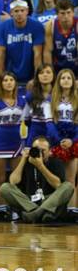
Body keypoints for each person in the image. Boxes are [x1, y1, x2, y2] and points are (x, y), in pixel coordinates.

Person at [0, 71, 26, 220]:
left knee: (15, 179)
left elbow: (26, 122)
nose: (8, 82)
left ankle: (16, 209)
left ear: (15, 82)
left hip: (16, 143)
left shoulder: (22, 101)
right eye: (5, 80)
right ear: (0, 83)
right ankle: (1, 210)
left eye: (11, 79)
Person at [0, 136, 74, 223]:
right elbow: (13, 181)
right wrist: (23, 159)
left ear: (50, 151)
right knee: (5, 187)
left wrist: (40, 166)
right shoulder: (27, 161)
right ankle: (43, 213)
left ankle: (36, 214)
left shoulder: (55, 162)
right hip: (29, 202)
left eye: (43, 150)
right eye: (37, 149)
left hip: (49, 200)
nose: (40, 153)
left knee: (68, 186)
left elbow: (57, 185)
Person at [0, 0, 45, 83]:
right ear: (11, 12)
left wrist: (36, 79)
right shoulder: (3, 27)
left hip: (30, 72)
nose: (20, 14)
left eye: (22, 10)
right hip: (10, 74)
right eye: (16, 11)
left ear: (27, 11)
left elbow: (38, 55)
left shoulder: (37, 26)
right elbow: (0, 53)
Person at [48, 68, 77, 208]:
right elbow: (49, 123)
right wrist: (59, 140)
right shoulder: (51, 99)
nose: (66, 80)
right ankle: (57, 210)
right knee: (58, 180)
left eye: (69, 78)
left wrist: (72, 140)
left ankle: (72, 210)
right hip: (56, 141)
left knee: (71, 179)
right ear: (58, 81)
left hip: (74, 142)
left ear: (73, 82)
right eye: (63, 78)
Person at [23, 64, 55, 147]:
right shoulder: (30, 96)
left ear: (53, 75)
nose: (45, 75)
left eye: (48, 72)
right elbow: (26, 119)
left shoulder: (58, 95)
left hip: (54, 133)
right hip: (35, 133)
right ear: (37, 76)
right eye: (41, 73)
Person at [43, 0, 78, 75]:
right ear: (57, 14)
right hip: (57, 69)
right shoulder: (50, 25)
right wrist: (50, 74)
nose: (66, 16)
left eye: (68, 13)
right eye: (62, 13)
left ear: (73, 13)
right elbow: (47, 52)